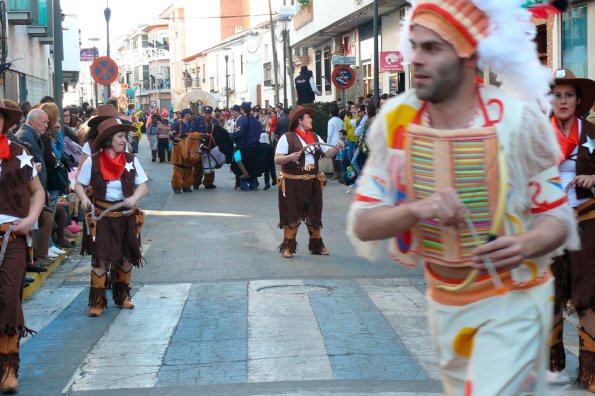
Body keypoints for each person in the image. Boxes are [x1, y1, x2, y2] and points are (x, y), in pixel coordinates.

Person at [348, 1, 578, 394]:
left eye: (432, 49)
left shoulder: (516, 120)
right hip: (445, 305)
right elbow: (364, 222)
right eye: (415, 46)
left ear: (468, 53)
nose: (415, 59)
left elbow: (557, 219)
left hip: (515, 300)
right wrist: (419, 209)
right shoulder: (397, 121)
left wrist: (523, 245)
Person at [548, 68, 595, 391]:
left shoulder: (591, 132)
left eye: (568, 95)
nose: (562, 100)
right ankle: (551, 366)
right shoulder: (536, 134)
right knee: (548, 293)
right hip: (547, 222)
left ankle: (591, 372)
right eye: (557, 94)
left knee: (588, 294)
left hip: (586, 218)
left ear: (578, 101)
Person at [75, 118, 148, 317]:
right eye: (120, 136)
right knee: (100, 259)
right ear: (108, 139)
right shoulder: (93, 161)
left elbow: (142, 185)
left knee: (126, 258)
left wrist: (134, 197)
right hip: (102, 217)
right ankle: (97, 302)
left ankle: (122, 296)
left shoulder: (131, 160)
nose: (124, 140)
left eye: (125, 136)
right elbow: (78, 185)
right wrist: (83, 199)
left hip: (126, 217)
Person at [0, 98, 45, 394]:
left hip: (11, 237)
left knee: (7, 298)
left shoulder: (19, 154)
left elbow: (38, 191)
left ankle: (8, 368)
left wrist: (29, 219)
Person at [275, 105, 343, 258]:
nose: (311, 119)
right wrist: (289, 158)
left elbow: (328, 153)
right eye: (308, 117)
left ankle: (317, 246)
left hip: (312, 180)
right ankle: (288, 247)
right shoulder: (287, 137)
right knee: (291, 213)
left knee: (314, 212)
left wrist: (337, 147)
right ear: (300, 121)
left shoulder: (314, 136)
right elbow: (277, 158)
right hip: (292, 182)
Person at [232, 102, 262, 190]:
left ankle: (243, 183)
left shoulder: (241, 120)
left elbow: (237, 134)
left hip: (242, 148)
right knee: (252, 166)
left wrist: (232, 137)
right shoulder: (256, 121)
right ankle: (253, 184)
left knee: (239, 163)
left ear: (242, 110)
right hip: (254, 147)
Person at [169, 109, 197, 194]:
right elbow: (171, 135)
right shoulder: (176, 124)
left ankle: (187, 186)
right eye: (190, 114)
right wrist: (182, 141)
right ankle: (177, 187)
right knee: (178, 168)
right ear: (185, 115)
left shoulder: (192, 124)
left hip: (189, 148)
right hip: (178, 149)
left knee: (189, 168)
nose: (191, 116)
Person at [194, 106, 216, 190]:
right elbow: (193, 132)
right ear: (203, 113)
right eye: (206, 113)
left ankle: (209, 183)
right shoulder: (197, 120)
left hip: (211, 146)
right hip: (199, 144)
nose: (207, 114)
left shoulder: (215, 121)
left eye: (209, 113)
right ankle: (196, 183)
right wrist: (200, 135)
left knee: (211, 165)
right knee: (198, 165)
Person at [327, 104, 343, 180]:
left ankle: (336, 173)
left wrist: (327, 144)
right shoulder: (341, 121)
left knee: (333, 158)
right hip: (340, 140)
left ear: (331, 113)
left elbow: (329, 134)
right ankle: (340, 173)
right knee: (339, 157)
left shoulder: (330, 121)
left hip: (333, 141)